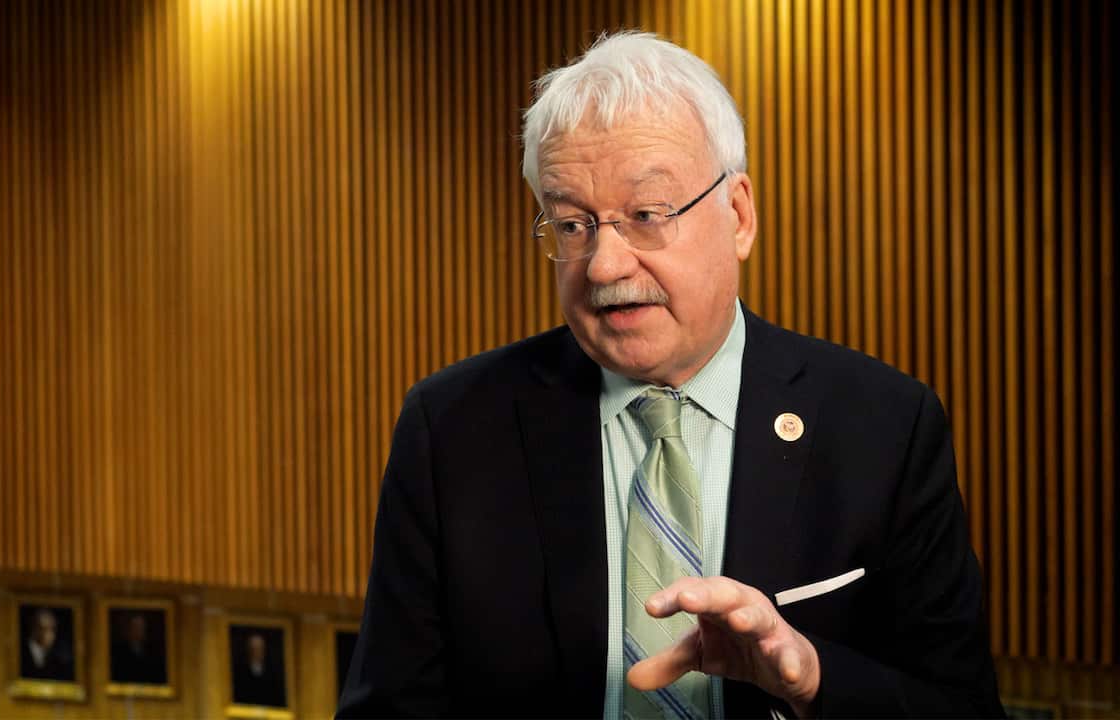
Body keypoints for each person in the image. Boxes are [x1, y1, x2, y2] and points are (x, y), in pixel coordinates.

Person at [338, 31, 1003, 719]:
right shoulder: (451, 429)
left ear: (739, 216)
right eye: (571, 225)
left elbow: (962, 707)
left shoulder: (885, 426)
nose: (603, 266)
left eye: (648, 215)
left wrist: (812, 679)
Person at [230, 629, 287, 707]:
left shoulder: (272, 672)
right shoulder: (240, 672)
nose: (256, 652)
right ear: (248, 650)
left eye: (259, 648)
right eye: (253, 648)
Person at [110, 612, 167, 684]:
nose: (138, 631)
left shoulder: (153, 652)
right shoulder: (118, 651)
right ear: (129, 629)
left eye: (141, 627)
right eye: (135, 627)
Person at [20, 607, 73, 681]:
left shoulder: (58, 656)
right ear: (34, 629)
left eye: (53, 629)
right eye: (45, 629)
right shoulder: (20, 652)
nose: (50, 635)